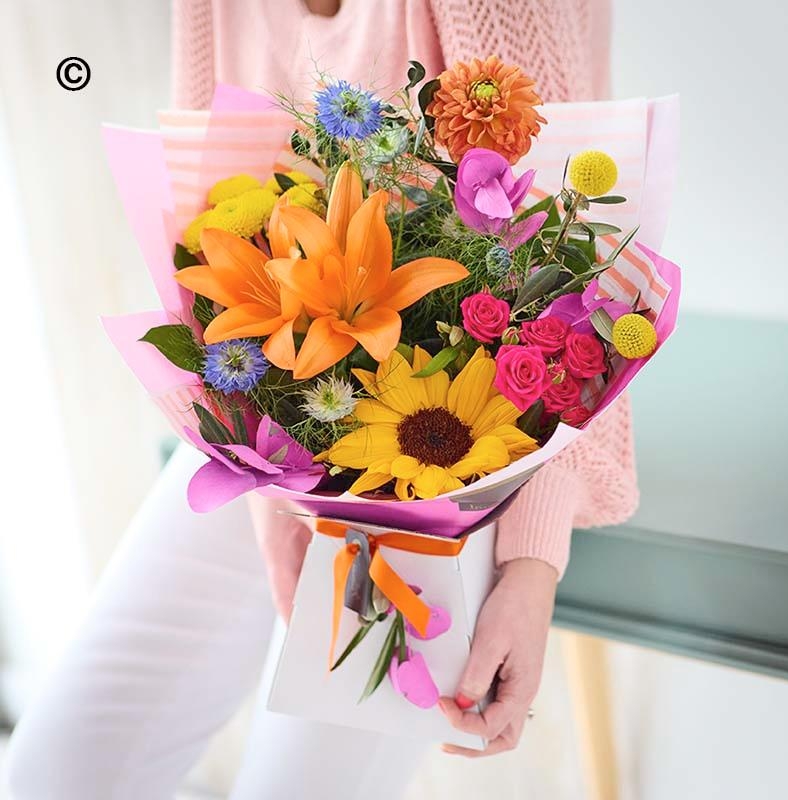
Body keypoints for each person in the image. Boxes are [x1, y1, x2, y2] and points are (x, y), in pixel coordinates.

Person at [6, 1, 637, 797]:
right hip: (287, 420)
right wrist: (268, 482)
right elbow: (204, 233)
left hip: (469, 454)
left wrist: (531, 563)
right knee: (54, 770)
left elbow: (578, 279)